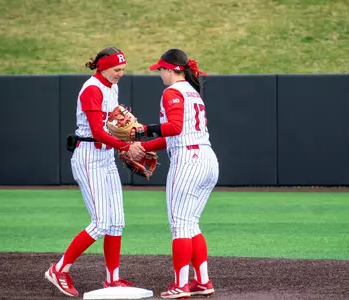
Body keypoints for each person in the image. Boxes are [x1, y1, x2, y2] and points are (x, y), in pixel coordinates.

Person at [45, 46, 144, 297]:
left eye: (123, 69)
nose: (120, 73)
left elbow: (109, 126)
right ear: (103, 67)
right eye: (116, 69)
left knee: (117, 222)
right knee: (100, 223)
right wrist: (127, 146)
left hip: (105, 155)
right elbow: (97, 132)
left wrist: (127, 133)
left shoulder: (112, 86)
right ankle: (59, 269)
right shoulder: (92, 89)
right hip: (89, 155)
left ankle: (112, 279)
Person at [134, 49, 219, 299]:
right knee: (191, 224)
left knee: (180, 226)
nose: (159, 73)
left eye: (161, 69)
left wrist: (142, 131)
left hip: (188, 162)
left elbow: (174, 128)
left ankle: (181, 286)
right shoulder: (194, 92)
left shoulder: (172, 91)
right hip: (207, 159)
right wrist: (143, 146)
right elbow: (176, 135)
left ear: (172, 69)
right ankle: (203, 281)